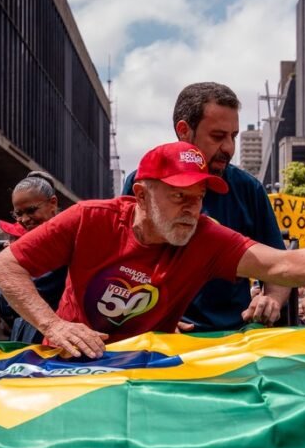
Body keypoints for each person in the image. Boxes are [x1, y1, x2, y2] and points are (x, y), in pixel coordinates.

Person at [0, 141, 305, 358]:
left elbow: (280, 262)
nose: (193, 207)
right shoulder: (90, 217)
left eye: (200, 195)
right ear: (141, 195)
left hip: (149, 370)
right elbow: (6, 265)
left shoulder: (205, 234)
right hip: (69, 362)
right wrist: (55, 324)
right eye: (179, 196)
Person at [123, 82, 290, 330]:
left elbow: (279, 265)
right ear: (184, 131)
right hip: (159, 340)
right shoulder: (143, 183)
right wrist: (153, 317)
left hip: (233, 338)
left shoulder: (248, 189)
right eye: (217, 136)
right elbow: (124, 268)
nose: (229, 148)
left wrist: (272, 299)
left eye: (233, 136)